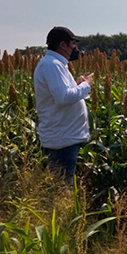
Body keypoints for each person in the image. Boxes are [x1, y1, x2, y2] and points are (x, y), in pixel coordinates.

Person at [33, 26, 94, 185]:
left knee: (62, 186)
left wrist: (76, 85)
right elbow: (63, 98)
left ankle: (62, 209)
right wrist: (85, 86)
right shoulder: (52, 65)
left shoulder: (56, 64)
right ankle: (61, 210)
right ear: (62, 45)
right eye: (73, 44)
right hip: (62, 141)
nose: (76, 48)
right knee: (62, 189)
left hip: (65, 138)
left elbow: (61, 94)